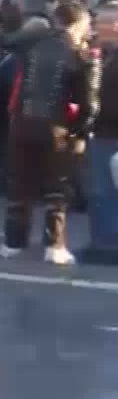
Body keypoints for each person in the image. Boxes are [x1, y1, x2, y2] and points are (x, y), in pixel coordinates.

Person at [0, 0, 102, 265]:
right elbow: (90, 104)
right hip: (57, 129)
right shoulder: (81, 55)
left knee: (20, 185)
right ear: (79, 24)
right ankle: (54, 246)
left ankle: (13, 242)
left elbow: (4, 40)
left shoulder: (31, 44)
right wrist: (79, 131)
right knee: (57, 188)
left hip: (22, 123)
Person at [84, 38, 118, 264]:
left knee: (104, 191)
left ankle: (107, 245)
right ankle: (103, 242)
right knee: (101, 190)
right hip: (104, 131)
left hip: (110, 132)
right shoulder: (108, 55)